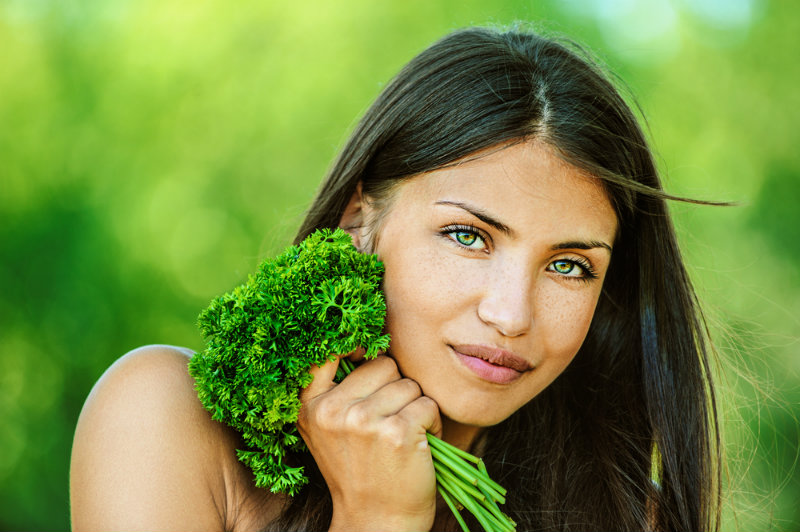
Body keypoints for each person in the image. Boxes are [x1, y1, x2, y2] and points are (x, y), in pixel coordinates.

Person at [70, 25, 721, 531]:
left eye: (568, 266)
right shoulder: (168, 424)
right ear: (360, 220)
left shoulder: (628, 516)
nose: (511, 314)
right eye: (468, 236)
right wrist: (379, 518)